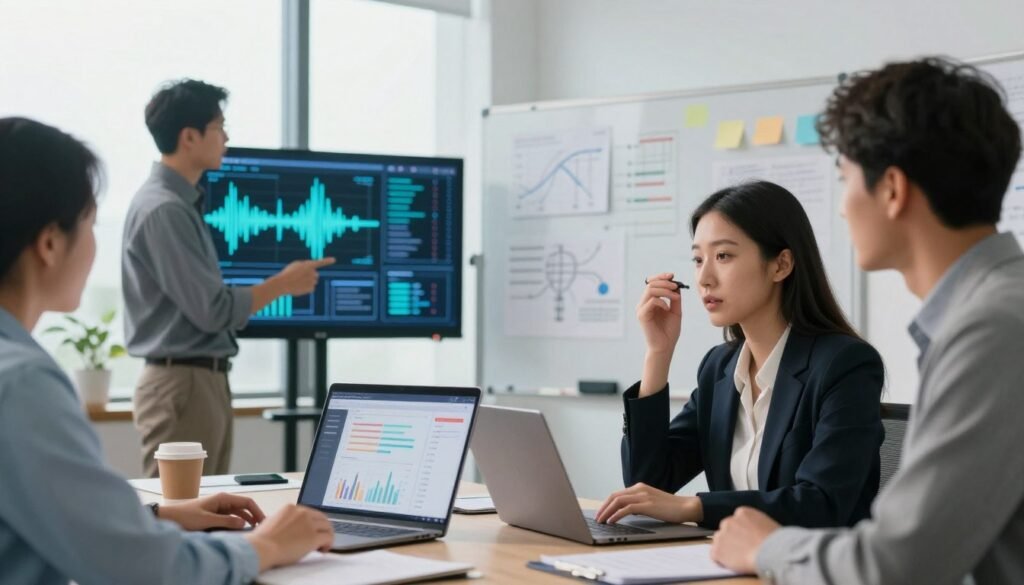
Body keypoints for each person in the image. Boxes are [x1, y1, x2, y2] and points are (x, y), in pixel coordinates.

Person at [710, 58, 1024, 585]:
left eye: (845, 179)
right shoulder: (993, 310)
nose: (841, 208)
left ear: (893, 190)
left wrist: (769, 546)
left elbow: (899, 564)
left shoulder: (993, 328)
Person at [0, 116, 334, 584]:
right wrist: (267, 546)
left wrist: (159, 517)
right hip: (181, 377)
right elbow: (144, 570)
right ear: (51, 243)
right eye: (92, 224)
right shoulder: (20, 384)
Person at [595, 180, 884, 530]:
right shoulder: (719, 368)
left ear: (781, 265)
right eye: (698, 259)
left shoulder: (844, 365)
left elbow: (821, 502)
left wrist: (694, 507)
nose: (704, 278)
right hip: (731, 566)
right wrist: (658, 353)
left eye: (723, 256)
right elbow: (649, 481)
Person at [122, 79, 334, 476]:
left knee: (205, 514)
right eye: (219, 127)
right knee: (180, 518)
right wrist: (283, 284)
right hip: (182, 383)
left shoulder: (180, 205)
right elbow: (213, 310)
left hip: (199, 381)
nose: (226, 138)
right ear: (189, 137)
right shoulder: (164, 210)